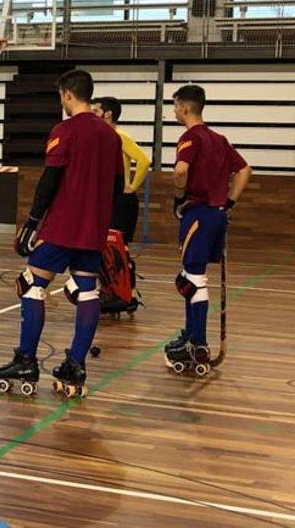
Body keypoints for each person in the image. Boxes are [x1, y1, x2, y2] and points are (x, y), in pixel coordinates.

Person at [0, 69, 122, 398]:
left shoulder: (65, 130)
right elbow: (118, 186)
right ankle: (76, 364)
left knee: (31, 285)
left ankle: (26, 360)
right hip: (94, 228)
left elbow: (50, 179)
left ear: (67, 94)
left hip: (63, 226)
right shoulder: (111, 135)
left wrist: (32, 222)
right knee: (88, 293)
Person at [166, 85, 250, 374]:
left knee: (194, 278)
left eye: (175, 106)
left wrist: (179, 197)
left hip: (198, 212)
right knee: (189, 277)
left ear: (185, 108)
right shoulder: (219, 139)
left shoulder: (191, 137)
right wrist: (228, 203)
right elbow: (244, 170)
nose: (174, 111)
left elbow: (180, 171)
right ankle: (192, 336)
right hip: (216, 214)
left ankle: (198, 342)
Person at [93, 96, 151, 242]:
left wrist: (131, 186)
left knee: (117, 244)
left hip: (121, 198)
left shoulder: (119, 136)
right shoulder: (99, 137)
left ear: (108, 114)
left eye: (96, 110)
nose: (93, 114)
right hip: (106, 197)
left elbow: (144, 161)